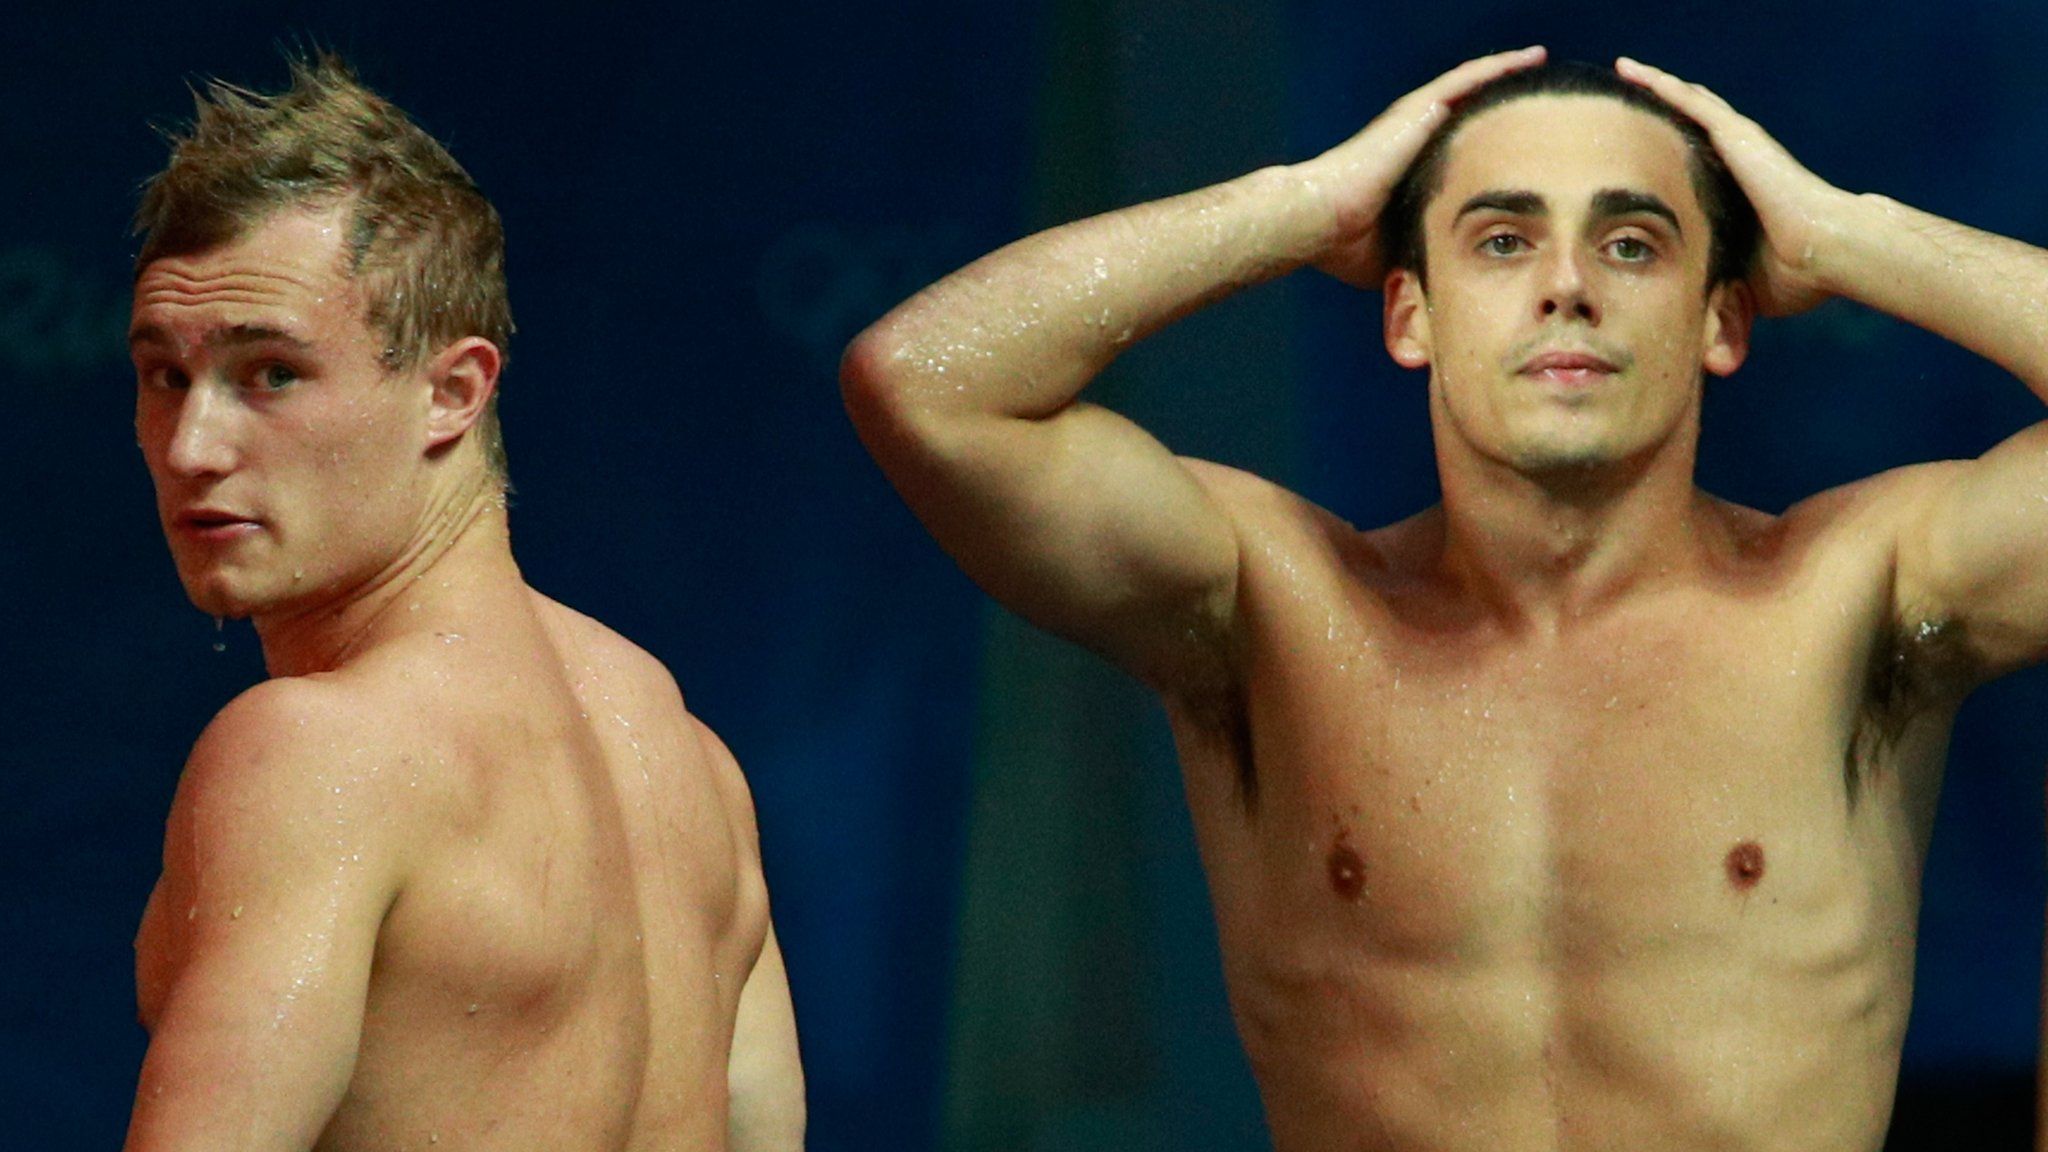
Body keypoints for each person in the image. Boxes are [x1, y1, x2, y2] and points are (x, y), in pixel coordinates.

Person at [843, 47, 2048, 1150]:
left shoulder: (1856, 595)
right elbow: (925, 385)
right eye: (1500, 240)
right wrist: (1302, 205)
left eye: (1631, 245)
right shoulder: (1272, 608)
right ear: (1410, 311)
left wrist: (1845, 235)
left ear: (1719, 317)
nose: (1567, 285)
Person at [124, 54, 803, 1151]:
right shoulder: (689, 763)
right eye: (165, 375)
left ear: (453, 391)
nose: (193, 449)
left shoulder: (315, 754)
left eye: (271, 375)